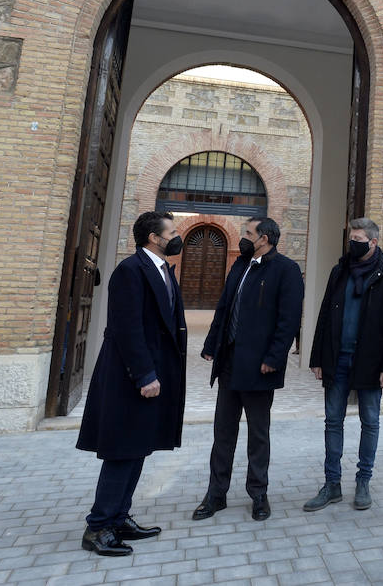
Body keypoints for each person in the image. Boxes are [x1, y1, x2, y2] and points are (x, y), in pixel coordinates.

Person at [75, 211, 187, 557]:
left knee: (138, 447)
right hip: (131, 377)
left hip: (154, 373)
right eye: (171, 231)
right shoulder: (130, 271)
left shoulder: (162, 269)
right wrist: (144, 374)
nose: (176, 236)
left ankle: (119, 518)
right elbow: (126, 328)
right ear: (154, 238)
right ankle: (98, 527)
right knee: (122, 451)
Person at [192, 216, 303, 523]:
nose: (244, 237)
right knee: (223, 433)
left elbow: (289, 320)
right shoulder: (240, 266)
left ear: (265, 238)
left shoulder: (286, 270)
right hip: (229, 363)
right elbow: (225, 308)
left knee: (258, 435)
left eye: (249, 233)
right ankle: (216, 494)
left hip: (259, 367)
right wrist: (211, 345)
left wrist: (274, 357)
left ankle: (258, 493)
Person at [303, 218, 383, 512]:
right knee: (332, 421)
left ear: (373, 242)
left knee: (369, 422)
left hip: (371, 363)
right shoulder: (340, 271)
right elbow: (324, 315)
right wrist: (317, 357)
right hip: (337, 358)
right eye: (351, 236)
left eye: (358, 237)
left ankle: (363, 482)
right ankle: (331, 484)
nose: (352, 242)